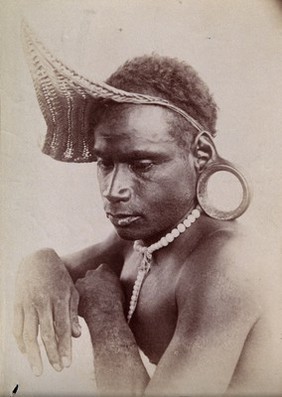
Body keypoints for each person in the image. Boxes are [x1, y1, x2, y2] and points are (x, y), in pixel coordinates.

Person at [13, 23, 281, 396]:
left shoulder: (227, 266)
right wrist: (36, 264)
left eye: (142, 164)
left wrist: (105, 314)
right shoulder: (142, 241)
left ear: (200, 154)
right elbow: (58, 266)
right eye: (105, 162)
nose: (113, 189)